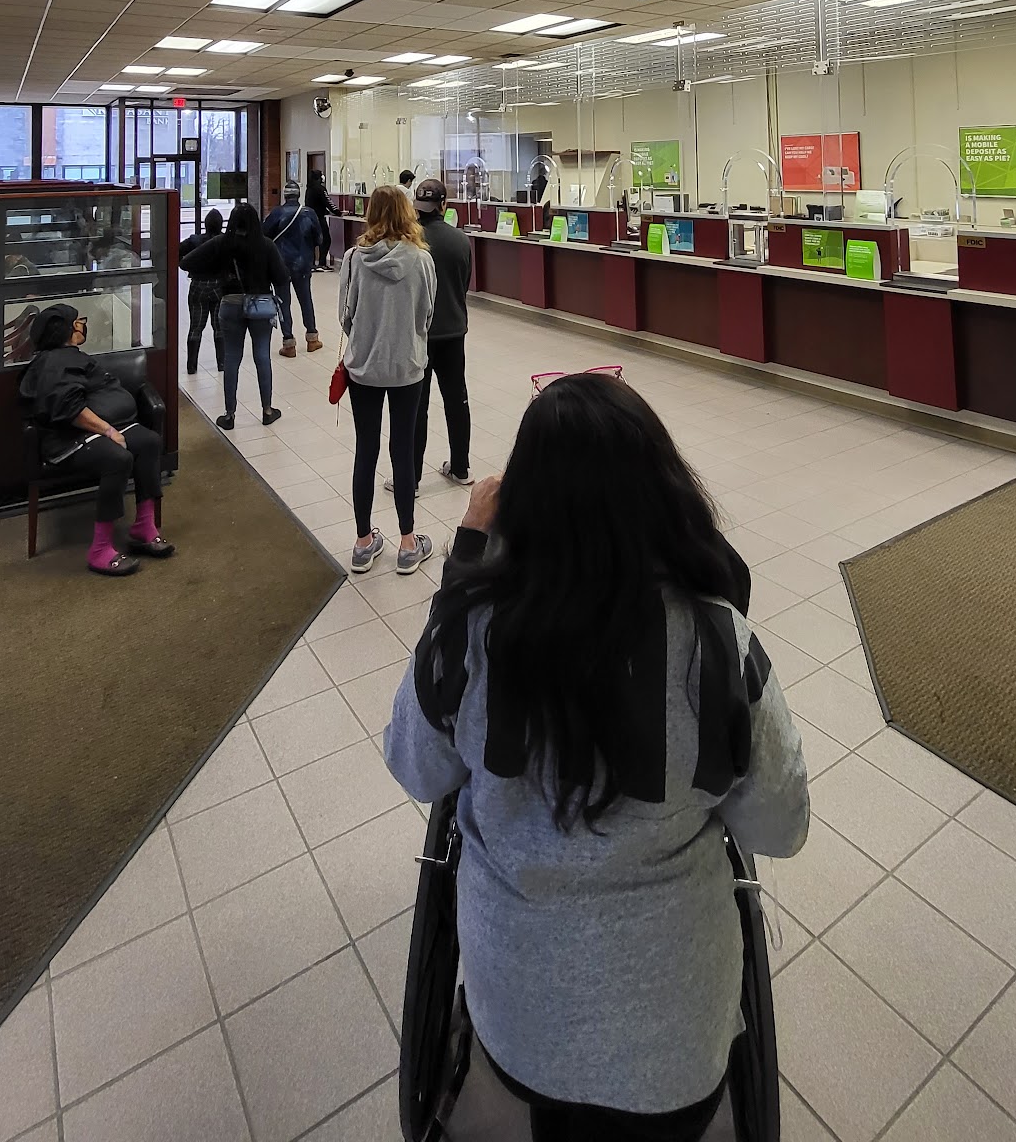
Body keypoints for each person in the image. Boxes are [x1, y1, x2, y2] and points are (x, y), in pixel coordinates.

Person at [384, 373, 808, 1136]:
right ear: (664, 493)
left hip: (518, 1027)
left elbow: (416, 767)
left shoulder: (473, 636)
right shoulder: (718, 643)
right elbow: (781, 827)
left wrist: (469, 550)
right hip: (680, 1046)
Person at [18, 303, 175, 577]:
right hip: (68, 439)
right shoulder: (54, 363)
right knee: (118, 459)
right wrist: (109, 431)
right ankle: (100, 549)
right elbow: (70, 409)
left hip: (104, 428)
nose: (83, 324)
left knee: (149, 442)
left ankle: (144, 526)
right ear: (66, 329)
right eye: (78, 320)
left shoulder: (71, 356)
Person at [338, 185, 436, 576]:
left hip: (364, 367)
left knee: (366, 449)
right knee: (403, 449)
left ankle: (363, 542)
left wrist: (368, 338)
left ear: (372, 214)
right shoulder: (422, 259)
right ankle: (408, 544)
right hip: (407, 367)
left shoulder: (353, 259)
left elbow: (345, 316)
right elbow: (427, 313)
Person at [183, 200, 286, 430]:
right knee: (262, 355)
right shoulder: (266, 245)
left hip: (229, 304)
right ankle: (267, 410)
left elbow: (186, 261)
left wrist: (215, 273)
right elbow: (282, 277)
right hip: (260, 305)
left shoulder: (222, 243)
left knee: (231, 357)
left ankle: (229, 415)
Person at [411, 178, 473, 489]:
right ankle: (460, 468)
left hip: (419, 335)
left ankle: (411, 478)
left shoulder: (410, 242)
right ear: (444, 205)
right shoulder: (461, 240)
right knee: (456, 399)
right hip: (453, 332)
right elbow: (464, 284)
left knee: (416, 406)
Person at [263, 182, 325, 356]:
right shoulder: (309, 213)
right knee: (306, 299)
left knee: (283, 301)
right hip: (303, 264)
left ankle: (289, 343)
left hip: (280, 264)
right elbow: (319, 239)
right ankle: (312, 338)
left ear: (285, 196)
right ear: (298, 195)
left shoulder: (277, 213)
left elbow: (264, 235)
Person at [179, 207, 226, 375]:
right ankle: (222, 363)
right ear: (221, 225)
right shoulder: (225, 241)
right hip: (219, 286)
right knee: (219, 326)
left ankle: (191, 366)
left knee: (196, 326)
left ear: (205, 225)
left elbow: (177, 250)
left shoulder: (194, 241)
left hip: (198, 285)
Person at [306, 167, 338, 270]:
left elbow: (314, 204)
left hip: (309, 218)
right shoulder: (321, 189)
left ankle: (312, 264)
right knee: (326, 240)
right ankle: (322, 263)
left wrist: (326, 211)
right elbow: (328, 202)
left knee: (312, 241)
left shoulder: (309, 189)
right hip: (319, 219)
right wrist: (338, 212)